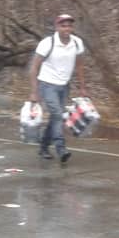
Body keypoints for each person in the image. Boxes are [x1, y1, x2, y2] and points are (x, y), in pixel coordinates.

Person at [28, 13, 85, 163]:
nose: (67, 28)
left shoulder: (77, 43)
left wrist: (82, 88)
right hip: (47, 85)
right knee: (58, 115)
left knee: (55, 118)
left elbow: (79, 66)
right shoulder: (47, 43)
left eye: (69, 25)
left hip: (64, 86)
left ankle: (44, 147)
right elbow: (34, 68)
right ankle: (61, 149)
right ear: (57, 27)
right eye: (63, 25)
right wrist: (34, 92)